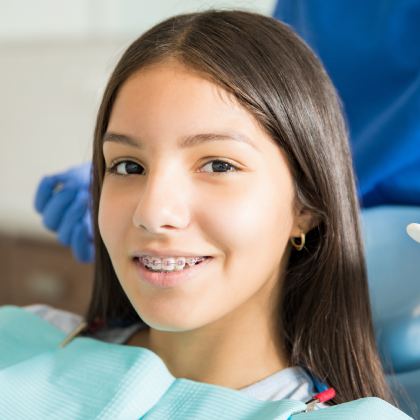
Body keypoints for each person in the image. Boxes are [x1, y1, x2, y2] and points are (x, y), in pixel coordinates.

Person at [19, 9, 411, 415]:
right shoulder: (19, 340)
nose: (152, 212)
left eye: (218, 165)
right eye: (128, 166)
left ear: (306, 207)